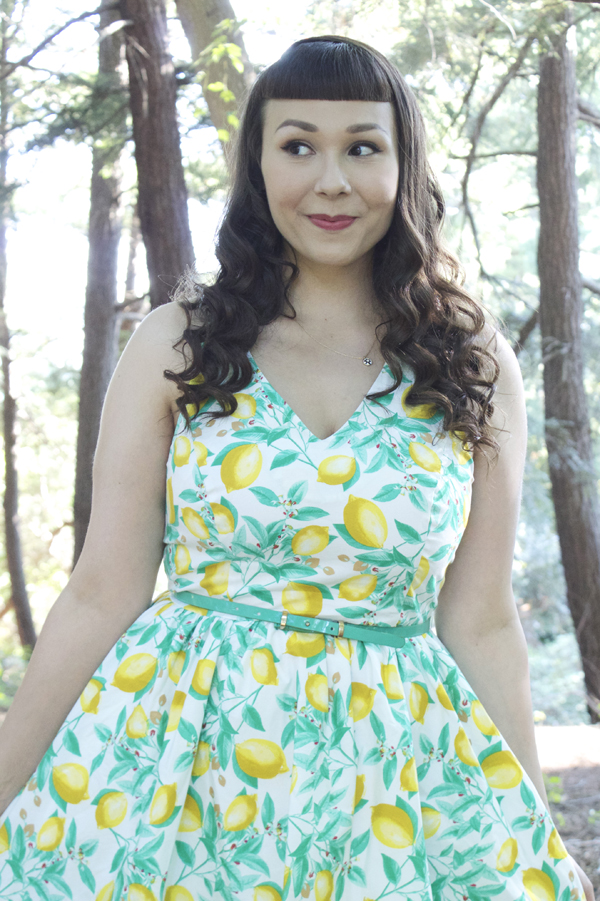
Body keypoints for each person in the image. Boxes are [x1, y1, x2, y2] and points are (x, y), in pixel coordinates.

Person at [0, 33, 593, 901]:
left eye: (363, 147)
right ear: (258, 163)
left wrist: (531, 829)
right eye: (298, 145)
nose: (331, 180)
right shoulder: (179, 342)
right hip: (181, 767)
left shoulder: (470, 361)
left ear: (404, 164)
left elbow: (482, 620)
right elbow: (100, 591)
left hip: (393, 780)